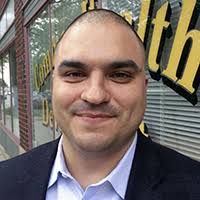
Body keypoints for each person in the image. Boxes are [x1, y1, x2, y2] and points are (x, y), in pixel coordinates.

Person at [0, 9, 200, 200]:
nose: (95, 95)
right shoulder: (5, 180)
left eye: (120, 75)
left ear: (144, 88)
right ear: (53, 86)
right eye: (75, 74)